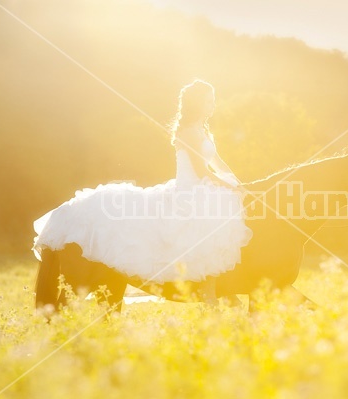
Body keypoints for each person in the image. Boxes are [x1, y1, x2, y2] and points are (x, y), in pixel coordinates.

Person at [32, 80, 252, 304]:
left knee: (222, 214)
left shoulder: (203, 131)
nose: (212, 105)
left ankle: (216, 289)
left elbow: (218, 162)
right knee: (199, 224)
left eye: (213, 100)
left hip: (201, 187)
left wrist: (238, 182)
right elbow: (201, 170)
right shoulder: (187, 132)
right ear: (196, 103)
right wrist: (230, 186)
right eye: (208, 101)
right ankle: (202, 289)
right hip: (189, 189)